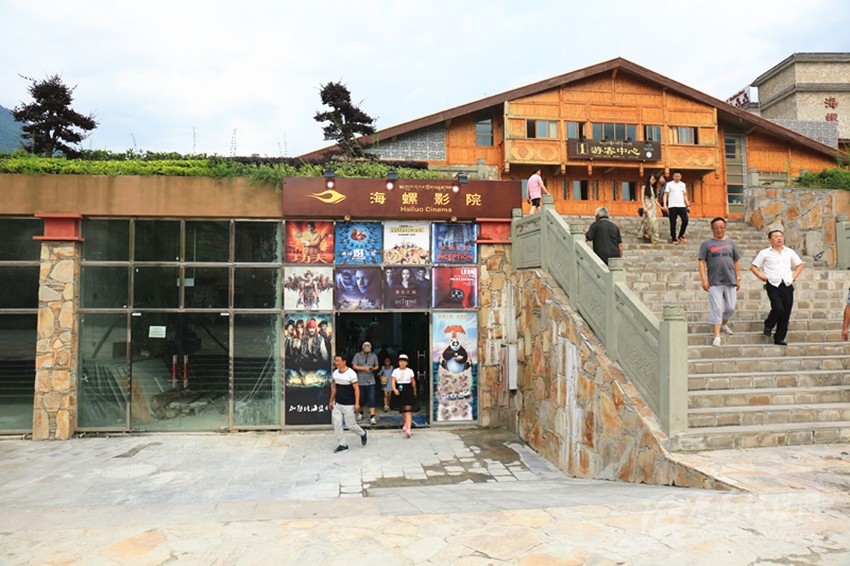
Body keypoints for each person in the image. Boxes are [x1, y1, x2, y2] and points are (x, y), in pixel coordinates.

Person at [750, 230, 805, 346]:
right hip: (773, 284)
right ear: (770, 240)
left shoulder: (789, 252)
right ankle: (768, 324)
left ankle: (779, 338)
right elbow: (753, 267)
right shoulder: (764, 253)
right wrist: (761, 276)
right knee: (778, 308)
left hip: (787, 284)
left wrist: (794, 276)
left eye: (781, 236)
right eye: (776, 237)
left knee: (786, 312)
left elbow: (800, 264)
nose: (779, 238)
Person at [698, 218, 741, 347]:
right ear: (712, 228)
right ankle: (717, 336)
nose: (719, 230)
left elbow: (736, 261)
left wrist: (738, 278)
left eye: (721, 227)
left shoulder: (731, 243)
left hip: (730, 280)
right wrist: (704, 280)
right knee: (716, 308)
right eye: (716, 227)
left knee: (730, 308)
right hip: (714, 281)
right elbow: (701, 262)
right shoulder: (706, 244)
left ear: (725, 228)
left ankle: (723, 324)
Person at [328, 354, 367, 453]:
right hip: (338, 403)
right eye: (335, 361)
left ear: (344, 361)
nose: (336, 363)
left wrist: (357, 403)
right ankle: (343, 444)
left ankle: (362, 433)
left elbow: (356, 389)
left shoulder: (351, 374)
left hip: (349, 404)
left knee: (350, 425)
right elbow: (334, 388)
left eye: (338, 361)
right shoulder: (335, 373)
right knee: (337, 423)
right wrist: (331, 401)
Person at [351, 341, 379, 424]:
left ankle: (372, 416)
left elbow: (377, 365)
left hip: (371, 381)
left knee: (372, 398)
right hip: (360, 381)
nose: (367, 351)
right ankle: (360, 412)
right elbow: (354, 366)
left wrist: (373, 369)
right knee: (361, 398)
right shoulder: (357, 355)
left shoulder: (373, 355)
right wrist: (363, 368)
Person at [391, 353, 417, 438]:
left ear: (407, 363)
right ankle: (406, 423)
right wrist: (394, 389)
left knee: (408, 410)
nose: (402, 363)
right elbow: (393, 381)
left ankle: (409, 429)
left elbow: (413, 382)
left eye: (404, 361)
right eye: (400, 361)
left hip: (408, 390)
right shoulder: (395, 371)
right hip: (399, 389)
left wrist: (414, 391)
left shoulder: (410, 371)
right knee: (402, 410)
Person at [662, 171, 690, 244]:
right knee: (673, 222)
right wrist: (665, 205)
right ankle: (673, 238)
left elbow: (684, 195)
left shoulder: (683, 184)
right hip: (672, 206)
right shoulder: (669, 184)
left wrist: (687, 203)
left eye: (678, 176)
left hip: (682, 206)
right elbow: (665, 194)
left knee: (685, 220)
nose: (677, 178)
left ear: (680, 177)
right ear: (673, 176)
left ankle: (681, 235)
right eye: (675, 176)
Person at [637, 174, 660, 244]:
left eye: (654, 180)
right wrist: (644, 206)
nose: (653, 181)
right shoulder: (644, 187)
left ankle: (655, 238)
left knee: (654, 222)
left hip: (653, 208)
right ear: (649, 179)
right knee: (648, 221)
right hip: (647, 207)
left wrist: (661, 207)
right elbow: (642, 198)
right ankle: (646, 234)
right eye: (652, 179)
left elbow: (655, 200)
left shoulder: (653, 188)